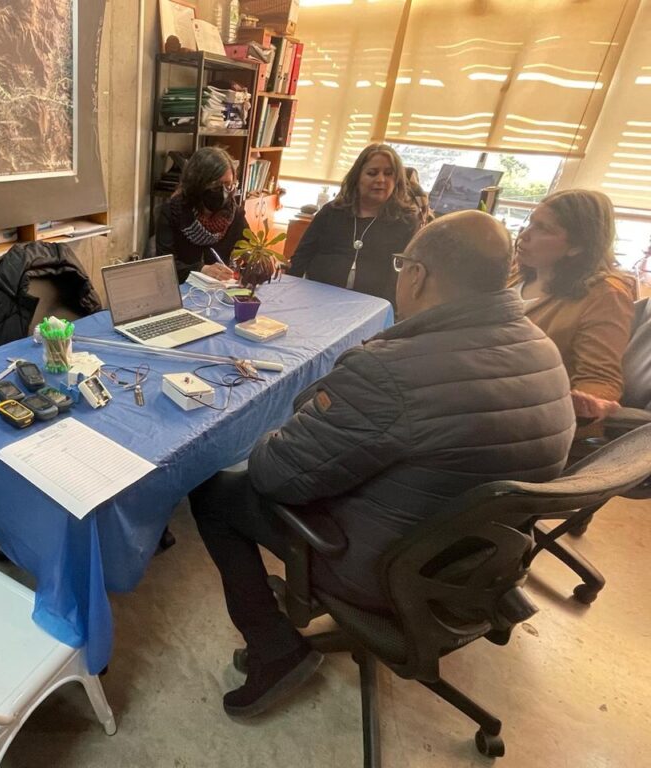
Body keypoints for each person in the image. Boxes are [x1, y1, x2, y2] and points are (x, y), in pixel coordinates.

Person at [190, 210, 575, 719]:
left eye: (401, 263)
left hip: (384, 565)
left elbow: (274, 473)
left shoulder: (388, 372)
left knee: (214, 492)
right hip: (474, 559)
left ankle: (274, 647)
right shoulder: (543, 348)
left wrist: (292, 420)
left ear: (416, 273)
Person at [512, 189, 638, 422]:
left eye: (543, 229)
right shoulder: (517, 274)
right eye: (530, 223)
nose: (524, 235)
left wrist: (589, 402)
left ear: (577, 246)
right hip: (484, 397)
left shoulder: (605, 295)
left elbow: (601, 380)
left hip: (530, 419)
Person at [288, 144, 419, 303]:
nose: (380, 180)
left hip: (372, 307)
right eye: (372, 173)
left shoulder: (405, 221)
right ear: (357, 177)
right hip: (316, 300)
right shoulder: (331, 211)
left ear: (396, 180)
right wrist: (288, 295)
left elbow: (405, 275)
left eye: (388, 174)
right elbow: (302, 256)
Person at [155, 146, 250, 284]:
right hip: (184, 289)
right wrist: (201, 269)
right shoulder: (173, 212)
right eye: (216, 185)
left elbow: (248, 248)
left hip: (220, 290)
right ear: (197, 183)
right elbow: (163, 265)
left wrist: (258, 257)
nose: (223, 192)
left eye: (228, 185)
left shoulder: (235, 214)